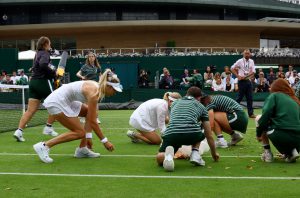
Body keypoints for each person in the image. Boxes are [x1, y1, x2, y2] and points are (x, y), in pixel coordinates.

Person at [33, 69, 122, 163]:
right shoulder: (94, 94)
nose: (114, 93)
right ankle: (44, 146)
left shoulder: (96, 88)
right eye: (114, 90)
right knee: (80, 132)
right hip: (56, 102)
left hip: (67, 101)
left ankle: (82, 149)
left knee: (90, 113)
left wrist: (89, 137)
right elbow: (92, 121)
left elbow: (91, 116)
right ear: (108, 86)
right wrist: (105, 141)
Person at [156, 86, 219, 172]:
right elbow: (209, 134)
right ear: (199, 97)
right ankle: (195, 153)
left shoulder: (174, 103)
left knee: (159, 157)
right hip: (192, 135)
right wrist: (214, 154)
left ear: (186, 94)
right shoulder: (201, 107)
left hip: (172, 133)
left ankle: (168, 156)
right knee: (200, 130)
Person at [13, 36, 58, 142]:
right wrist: (53, 73)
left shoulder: (37, 54)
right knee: (57, 104)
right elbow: (43, 65)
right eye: (49, 44)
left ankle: (19, 131)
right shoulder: (45, 54)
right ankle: (48, 127)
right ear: (45, 44)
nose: (50, 46)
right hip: (42, 82)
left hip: (33, 83)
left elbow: (41, 65)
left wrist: (53, 69)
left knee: (30, 110)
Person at [256, 78, 300, 163]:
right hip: (298, 138)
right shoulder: (295, 100)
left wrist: (258, 134)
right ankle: (291, 152)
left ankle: (268, 153)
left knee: (259, 118)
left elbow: (265, 116)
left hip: (281, 134)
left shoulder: (274, 96)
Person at [231, 49, 256, 118]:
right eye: (246, 54)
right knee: (239, 98)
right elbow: (232, 68)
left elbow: (253, 72)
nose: (247, 55)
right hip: (241, 82)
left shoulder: (251, 61)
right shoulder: (239, 61)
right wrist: (238, 76)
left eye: (248, 53)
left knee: (250, 98)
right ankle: (232, 111)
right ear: (243, 54)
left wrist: (246, 77)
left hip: (248, 81)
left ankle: (251, 114)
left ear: (250, 54)